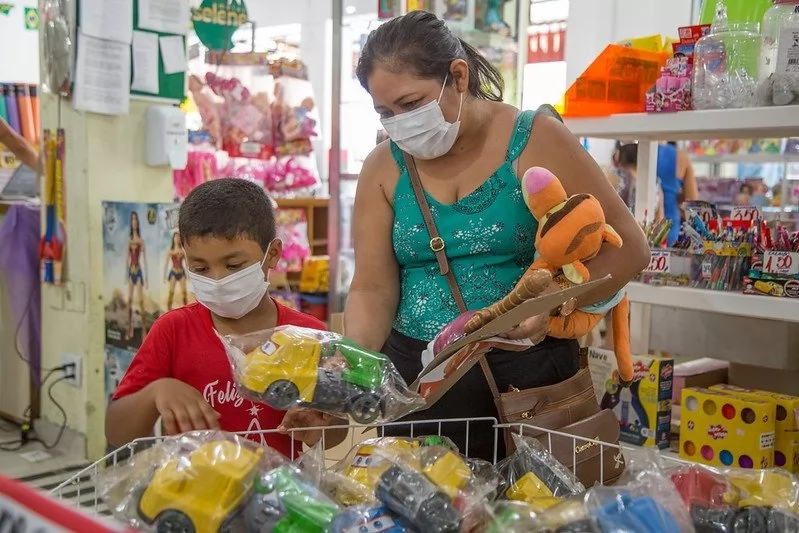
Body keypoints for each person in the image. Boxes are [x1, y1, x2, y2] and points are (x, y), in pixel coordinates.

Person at [345, 11, 649, 462]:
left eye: (411, 105)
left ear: (458, 76)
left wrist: (555, 302)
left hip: (531, 381)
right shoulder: (382, 167)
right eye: (384, 112)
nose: (400, 124)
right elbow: (372, 286)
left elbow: (629, 248)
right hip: (419, 385)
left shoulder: (535, 138)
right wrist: (353, 371)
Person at [105, 179, 346, 457]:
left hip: (278, 495)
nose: (217, 279)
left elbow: (336, 434)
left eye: (234, 265)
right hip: (192, 492)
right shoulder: (173, 331)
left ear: (273, 254)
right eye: (200, 267)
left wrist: (319, 422)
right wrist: (155, 393)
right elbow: (116, 432)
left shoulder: (308, 334)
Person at [611, 141, 698, 245]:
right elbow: (692, 203)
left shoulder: (617, 174)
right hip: (663, 232)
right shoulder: (680, 157)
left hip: (619, 236)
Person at [126, 211, 147, 340]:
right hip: (130, 271)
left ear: (137, 223)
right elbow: (126, 259)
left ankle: (144, 329)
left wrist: (147, 277)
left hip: (138, 271)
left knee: (140, 301)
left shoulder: (141, 241)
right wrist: (125, 274)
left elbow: (145, 260)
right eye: (132, 220)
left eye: (135, 220)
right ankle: (130, 328)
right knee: (129, 301)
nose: (134, 222)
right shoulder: (129, 241)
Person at [164, 231, 188, 310]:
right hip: (173, 272)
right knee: (171, 292)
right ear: (173, 239)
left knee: (184, 293)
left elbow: (187, 264)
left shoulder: (182, 251)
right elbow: (166, 264)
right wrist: (164, 276)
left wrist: (190, 274)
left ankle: (186, 311)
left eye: (178, 237)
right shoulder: (170, 251)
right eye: (175, 237)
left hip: (181, 272)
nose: (177, 239)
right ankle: (168, 310)